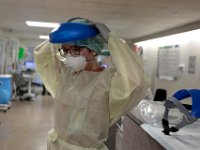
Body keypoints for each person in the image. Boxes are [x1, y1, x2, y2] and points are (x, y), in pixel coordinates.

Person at [34, 18, 149, 150]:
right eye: (65, 50)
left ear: (93, 50)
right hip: (56, 145)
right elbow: (41, 57)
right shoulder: (65, 76)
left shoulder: (108, 80)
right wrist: (56, 37)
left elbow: (137, 79)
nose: (70, 55)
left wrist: (112, 40)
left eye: (76, 49)